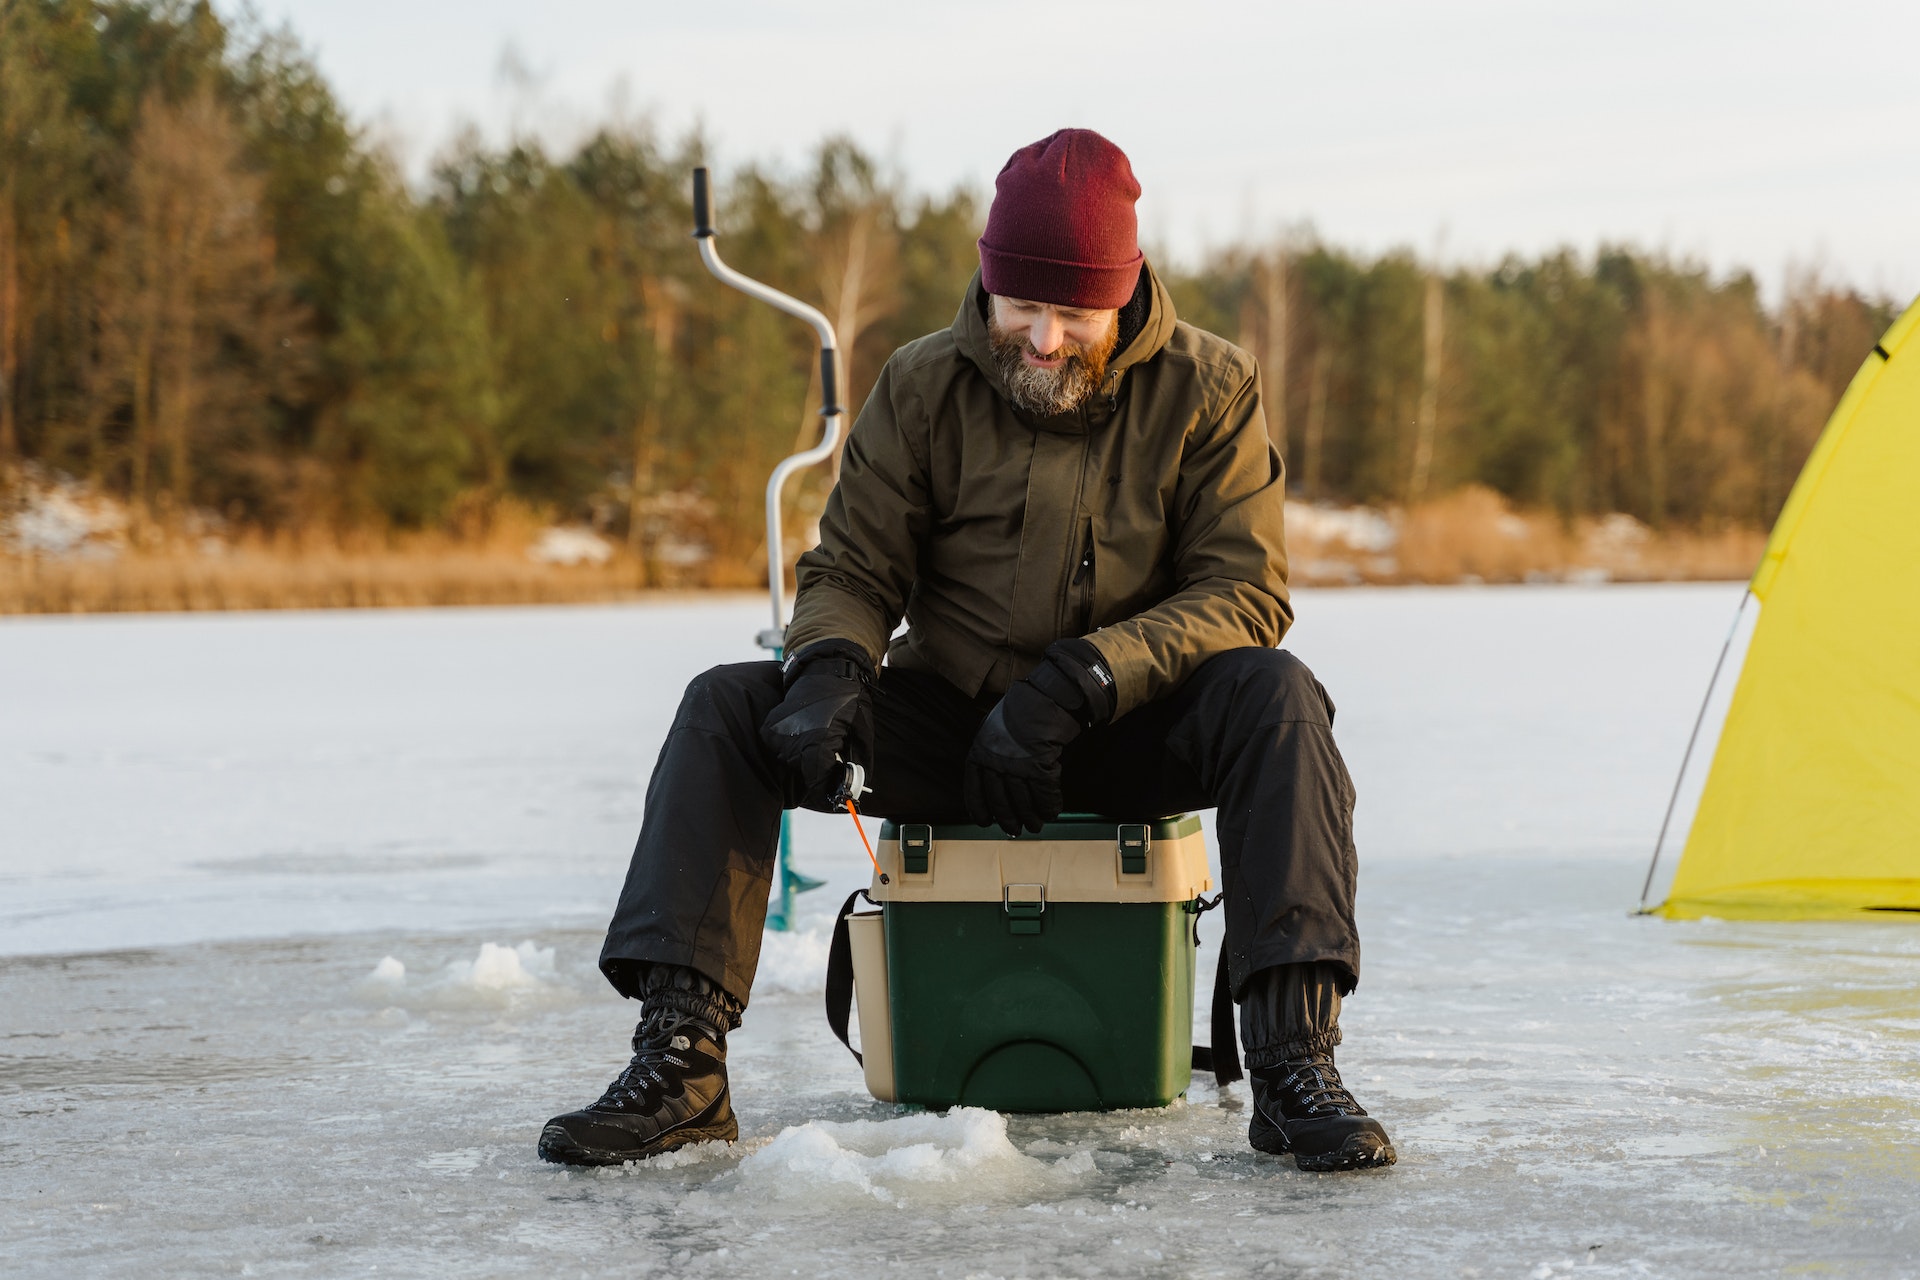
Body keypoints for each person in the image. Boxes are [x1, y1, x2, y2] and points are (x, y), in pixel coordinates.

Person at [539, 128, 1395, 1173]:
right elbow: (853, 566)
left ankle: (1294, 1064)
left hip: (1126, 723)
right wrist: (828, 672)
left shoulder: (1208, 386)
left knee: (1279, 696)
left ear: (1122, 297)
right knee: (726, 705)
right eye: (1018, 305)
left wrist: (1084, 679)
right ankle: (680, 1064)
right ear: (987, 284)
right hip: (955, 726)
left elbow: (1243, 589)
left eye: (1071, 312)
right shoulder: (921, 382)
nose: (1040, 338)